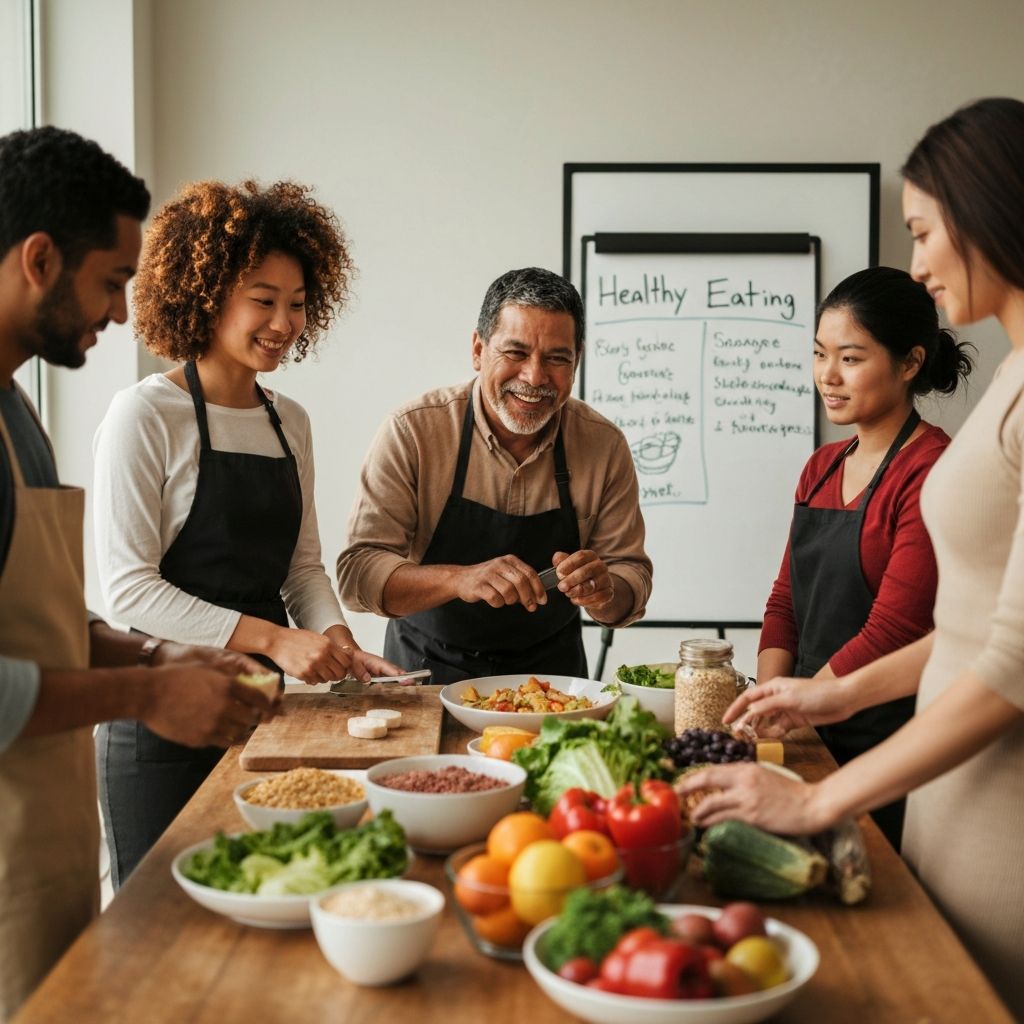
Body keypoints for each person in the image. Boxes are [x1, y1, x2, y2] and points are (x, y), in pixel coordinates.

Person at [678, 97, 1024, 1016]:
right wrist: (802, 697)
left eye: (923, 230)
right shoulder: (1008, 382)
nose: (916, 260)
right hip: (927, 772)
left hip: (975, 789)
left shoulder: (956, 440)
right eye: (819, 356)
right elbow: (968, 629)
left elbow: (1002, 656)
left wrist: (818, 790)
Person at [0, 128, 277, 1021]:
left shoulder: (17, 415)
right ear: (40, 258)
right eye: (113, 280)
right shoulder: (136, 413)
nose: (123, 312)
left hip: (44, 841)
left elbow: (45, 624)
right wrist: (141, 696)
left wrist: (158, 661)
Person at [92, 179, 402, 888]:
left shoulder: (289, 420)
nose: (285, 322)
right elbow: (128, 591)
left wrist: (340, 645)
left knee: (265, 899)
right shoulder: (145, 416)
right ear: (206, 292)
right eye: (263, 299)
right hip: (159, 718)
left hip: (268, 713)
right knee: (155, 928)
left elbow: (302, 570)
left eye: (297, 304)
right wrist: (273, 639)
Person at [337, 267, 652, 684]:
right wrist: (459, 579)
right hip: (425, 675)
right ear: (477, 349)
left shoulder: (603, 445)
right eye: (516, 353)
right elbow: (359, 573)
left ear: (577, 361)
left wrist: (605, 591)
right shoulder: (414, 432)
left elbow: (631, 575)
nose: (535, 377)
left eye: (557, 358)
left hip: (551, 685)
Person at [757, 265, 972, 848]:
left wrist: (800, 706)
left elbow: (897, 628)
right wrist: (768, 706)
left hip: (886, 742)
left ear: (909, 363)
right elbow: (785, 603)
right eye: (819, 353)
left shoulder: (932, 469)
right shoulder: (819, 467)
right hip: (807, 726)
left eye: (850, 358)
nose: (827, 375)